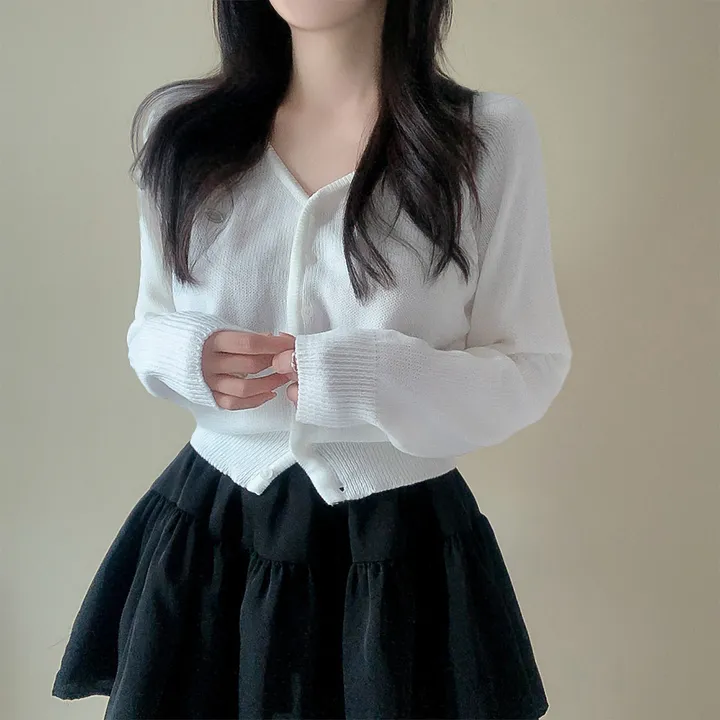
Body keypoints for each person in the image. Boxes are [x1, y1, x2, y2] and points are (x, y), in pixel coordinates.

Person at [52, 1, 571, 718]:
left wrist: (372, 378)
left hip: (400, 549)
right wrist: (187, 355)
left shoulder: (485, 137)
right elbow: (148, 327)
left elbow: (530, 365)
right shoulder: (182, 130)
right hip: (212, 537)